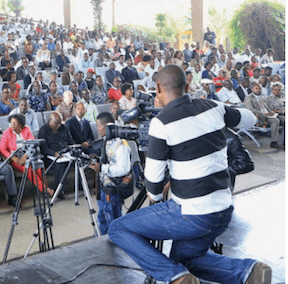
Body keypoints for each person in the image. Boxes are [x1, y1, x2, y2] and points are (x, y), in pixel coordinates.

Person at [107, 65, 269, 284]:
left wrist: (155, 200)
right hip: (223, 210)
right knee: (185, 259)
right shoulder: (213, 107)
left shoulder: (161, 123)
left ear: (157, 88)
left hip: (192, 214)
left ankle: (174, 277)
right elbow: (249, 118)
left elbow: (153, 182)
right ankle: (248, 272)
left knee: (118, 228)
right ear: (187, 86)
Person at [88, 112, 132, 235]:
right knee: (103, 219)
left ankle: (115, 247)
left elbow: (124, 169)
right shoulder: (106, 140)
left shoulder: (120, 143)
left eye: (98, 126)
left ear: (107, 126)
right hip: (104, 188)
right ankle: (102, 242)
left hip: (114, 189)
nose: (97, 129)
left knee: (114, 221)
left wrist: (102, 168)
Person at [0, 113, 46, 193]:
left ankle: (44, 188)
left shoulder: (26, 129)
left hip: (29, 155)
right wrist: (14, 158)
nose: (12, 125)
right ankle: (45, 190)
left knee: (39, 168)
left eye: (15, 123)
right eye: (11, 122)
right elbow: (2, 149)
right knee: (29, 170)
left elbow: (32, 144)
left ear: (21, 124)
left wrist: (25, 157)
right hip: (16, 158)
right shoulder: (7, 133)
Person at [38, 112, 76, 198]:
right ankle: (60, 191)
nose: (58, 125)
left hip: (65, 153)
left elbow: (70, 141)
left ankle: (81, 186)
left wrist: (72, 149)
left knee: (78, 161)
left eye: (60, 122)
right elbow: (43, 148)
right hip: (50, 156)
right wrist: (54, 153)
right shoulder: (43, 130)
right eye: (56, 123)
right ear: (50, 121)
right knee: (59, 165)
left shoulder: (64, 128)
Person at [244, 83, 283, 150]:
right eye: (256, 89)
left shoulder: (262, 97)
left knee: (284, 119)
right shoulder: (248, 97)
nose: (258, 90)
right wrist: (264, 114)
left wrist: (271, 112)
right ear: (252, 89)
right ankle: (274, 142)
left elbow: (266, 107)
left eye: (259, 89)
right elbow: (250, 109)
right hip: (259, 116)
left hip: (267, 115)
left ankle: (284, 141)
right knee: (275, 121)